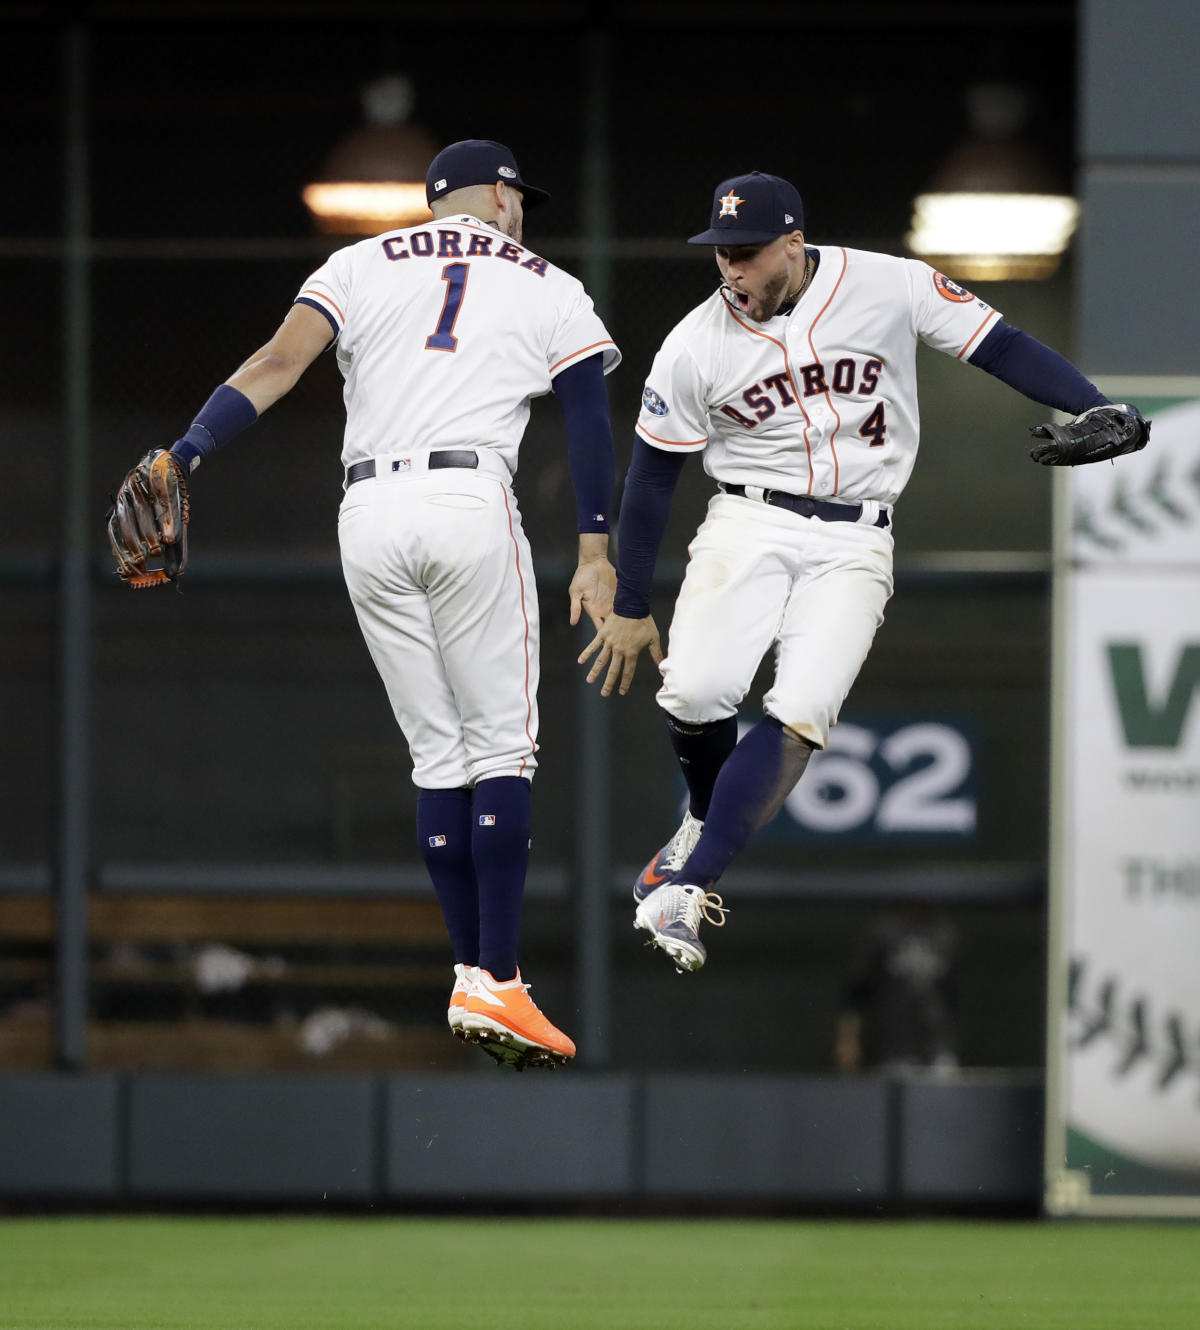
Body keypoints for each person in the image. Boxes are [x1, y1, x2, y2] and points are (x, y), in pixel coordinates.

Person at [115, 140, 621, 1065]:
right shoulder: (548, 280)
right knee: (501, 747)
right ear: (503, 198)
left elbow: (276, 364)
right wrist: (597, 548)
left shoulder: (358, 261)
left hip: (367, 513)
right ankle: (498, 981)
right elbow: (588, 414)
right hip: (468, 501)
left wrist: (185, 452)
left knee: (438, 756)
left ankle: (475, 977)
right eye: (521, 199)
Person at [579, 169, 1148, 973]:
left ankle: (688, 882)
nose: (731, 270)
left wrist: (1091, 403)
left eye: (746, 253)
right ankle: (702, 821)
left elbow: (998, 344)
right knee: (698, 690)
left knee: (804, 707)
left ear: (793, 244)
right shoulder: (693, 346)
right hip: (750, 517)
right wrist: (633, 601)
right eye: (721, 253)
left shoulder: (888, 284)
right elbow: (650, 482)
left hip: (858, 535)